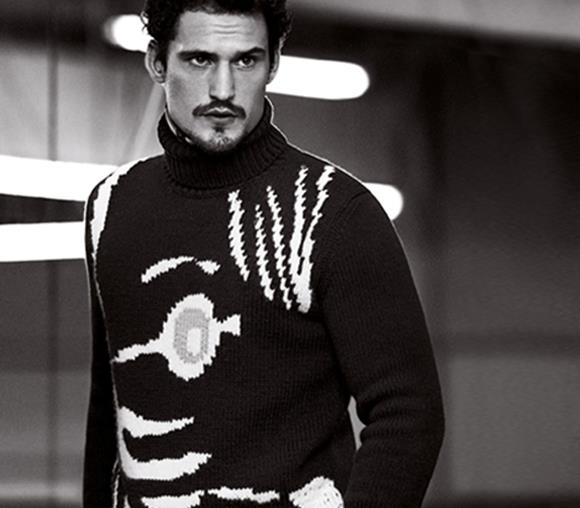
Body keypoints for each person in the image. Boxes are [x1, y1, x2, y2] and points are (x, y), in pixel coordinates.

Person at [82, 0, 444, 506]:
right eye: (200, 60)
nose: (223, 89)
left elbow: (409, 415)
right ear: (157, 63)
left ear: (273, 64)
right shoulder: (112, 207)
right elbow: (111, 413)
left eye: (246, 60)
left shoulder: (332, 212)